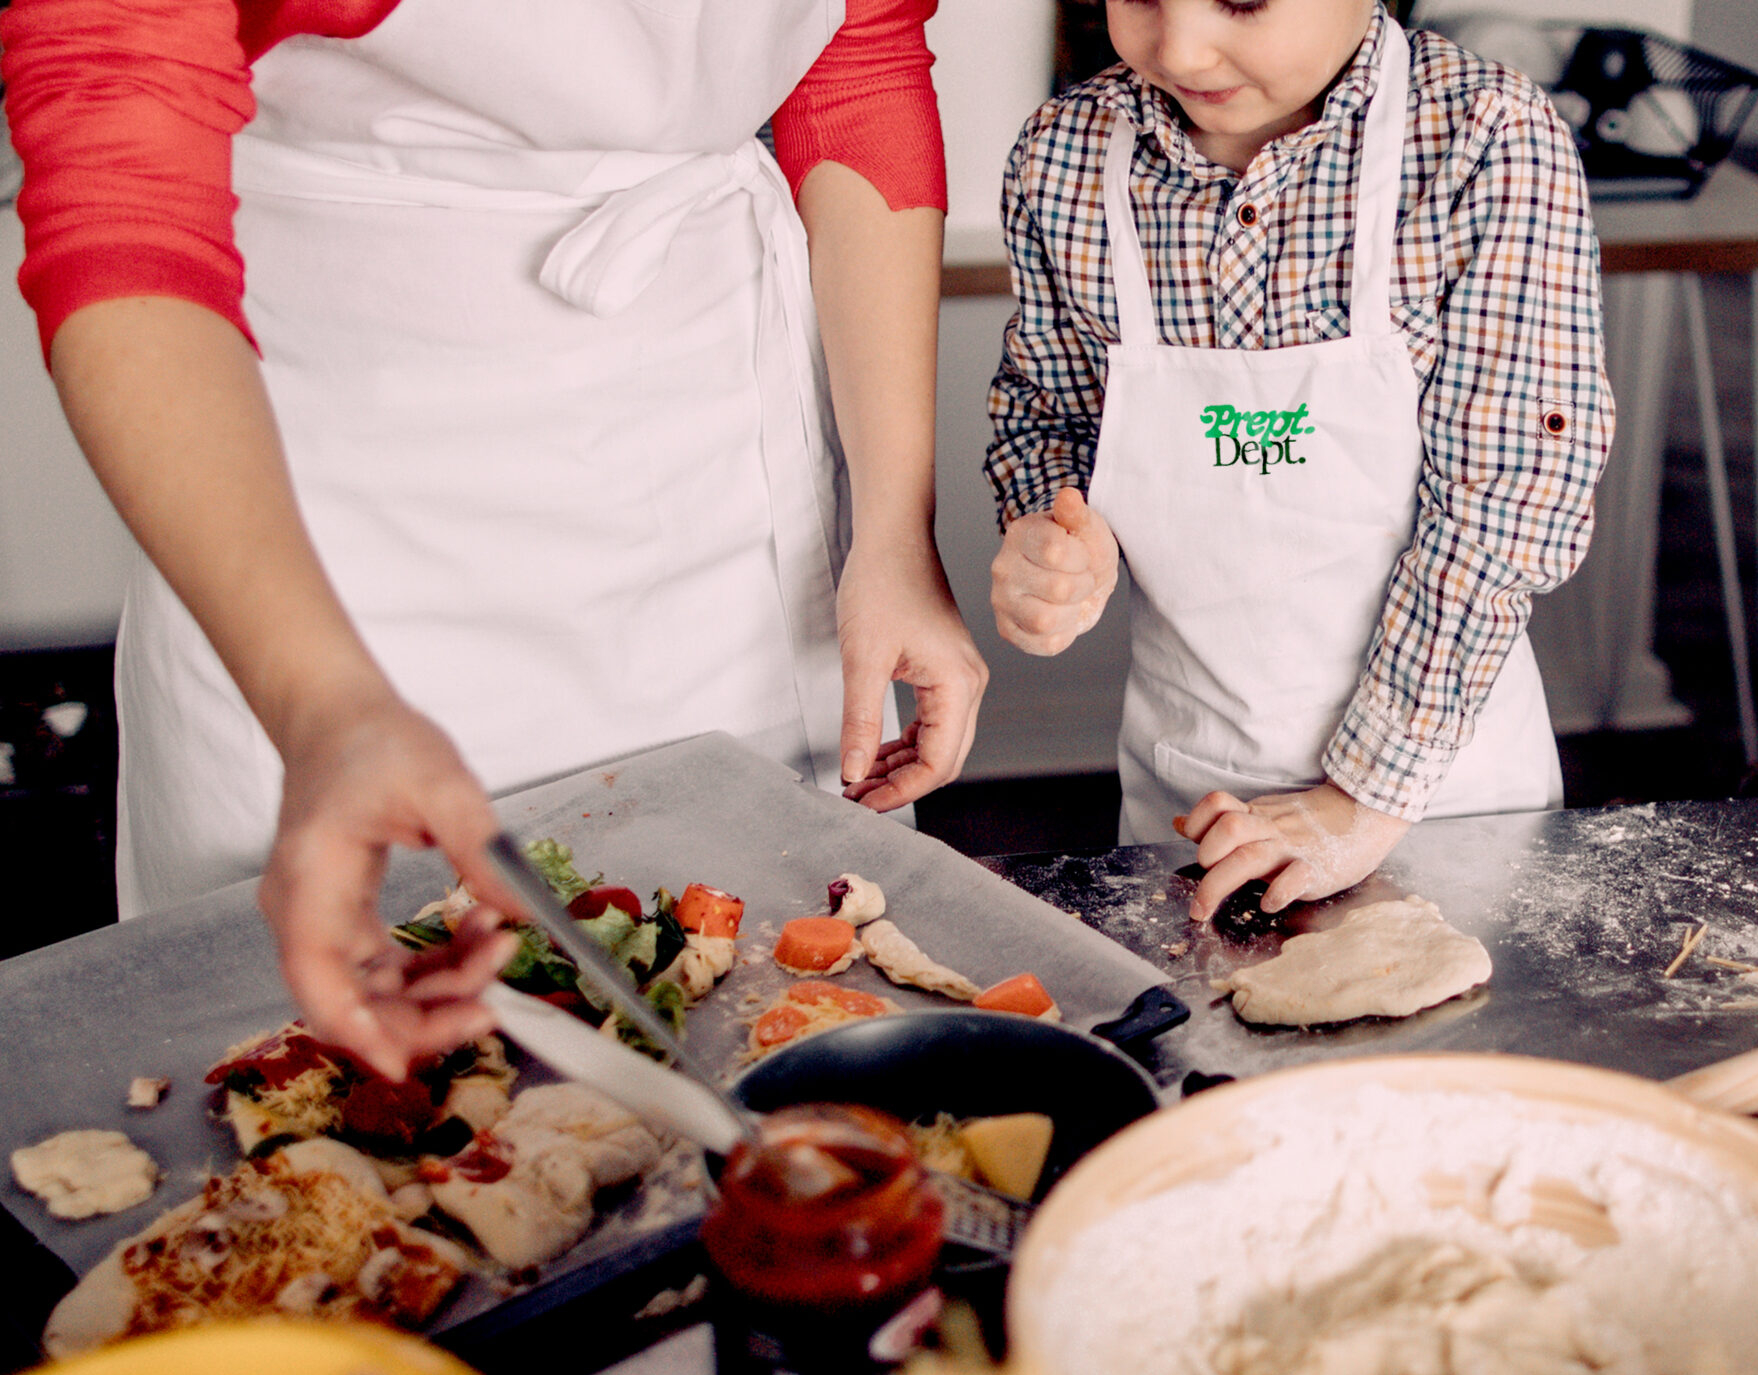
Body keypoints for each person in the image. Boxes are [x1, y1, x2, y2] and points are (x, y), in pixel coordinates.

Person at [3, 0, 989, 1075]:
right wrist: (323, 708)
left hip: (712, 434)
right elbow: (124, 211)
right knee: (324, 1088)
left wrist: (894, 529)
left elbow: (856, 61)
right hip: (316, 490)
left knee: (779, 1020)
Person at [984, 0, 1612, 920]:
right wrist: (1052, 534)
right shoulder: (1066, 154)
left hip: (1440, 797)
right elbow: (1050, 414)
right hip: (1189, 794)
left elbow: (1508, 501)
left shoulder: (1483, 136)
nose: (1182, 49)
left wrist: (1362, 799)